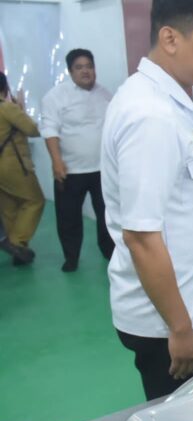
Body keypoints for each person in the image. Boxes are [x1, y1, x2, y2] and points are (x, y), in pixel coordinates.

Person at [100, 0, 193, 400]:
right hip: (167, 321)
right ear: (170, 38)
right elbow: (141, 237)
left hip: (182, 300)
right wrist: (179, 328)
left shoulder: (171, 100)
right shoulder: (150, 116)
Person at [41, 48, 115, 272]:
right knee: (68, 217)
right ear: (70, 71)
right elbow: (50, 129)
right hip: (70, 170)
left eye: (89, 66)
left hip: (102, 169)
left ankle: (110, 251)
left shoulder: (105, 94)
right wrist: (56, 161)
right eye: (79, 67)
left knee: (107, 214)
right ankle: (71, 257)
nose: (86, 71)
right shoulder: (55, 96)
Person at [0, 72, 44, 266]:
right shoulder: (7, 108)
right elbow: (33, 129)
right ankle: (17, 242)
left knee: (9, 206)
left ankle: (18, 249)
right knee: (35, 200)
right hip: (12, 165)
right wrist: (21, 108)